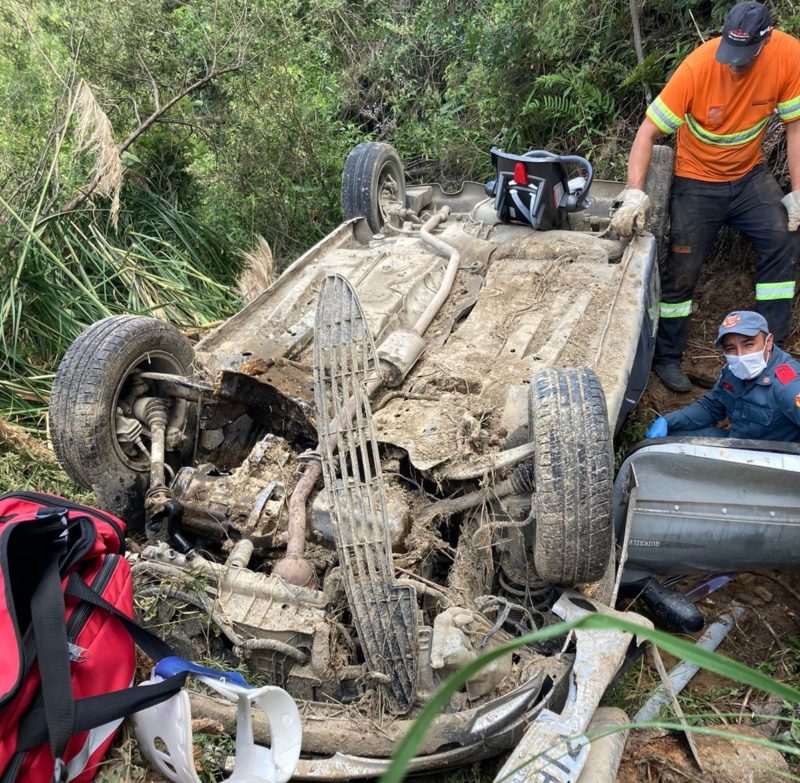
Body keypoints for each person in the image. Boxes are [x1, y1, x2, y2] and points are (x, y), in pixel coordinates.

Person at [611, 1, 800, 393]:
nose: (735, 65)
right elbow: (647, 133)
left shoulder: (788, 55)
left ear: (766, 42)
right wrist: (633, 194)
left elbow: (795, 129)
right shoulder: (698, 68)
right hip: (697, 181)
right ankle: (666, 357)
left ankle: (771, 349)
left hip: (749, 176)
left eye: (745, 58)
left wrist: (798, 194)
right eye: (731, 55)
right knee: (682, 268)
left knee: (784, 237)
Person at [646, 310, 800, 440]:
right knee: (670, 440)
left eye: (748, 345)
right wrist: (668, 421)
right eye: (730, 348)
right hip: (738, 444)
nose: (740, 356)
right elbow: (711, 407)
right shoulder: (732, 371)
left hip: (770, 462)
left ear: (768, 342)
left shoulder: (788, 386)